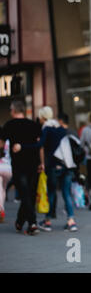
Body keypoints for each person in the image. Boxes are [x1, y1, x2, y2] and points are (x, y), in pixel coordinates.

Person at [13, 106, 79, 232]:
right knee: (66, 193)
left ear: (42, 117)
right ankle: (71, 221)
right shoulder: (61, 128)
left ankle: (47, 221)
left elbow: (39, 145)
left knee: (51, 193)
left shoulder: (47, 128)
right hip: (68, 166)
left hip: (54, 166)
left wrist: (22, 146)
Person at [0, 100, 42, 235]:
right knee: (28, 194)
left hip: (19, 165)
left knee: (25, 195)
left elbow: (1, 144)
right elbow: (39, 145)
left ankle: (32, 223)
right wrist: (42, 163)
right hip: (34, 164)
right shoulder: (34, 125)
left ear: (13, 111)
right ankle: (21, 221)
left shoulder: (9, 125)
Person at [0, 133, 12, 223]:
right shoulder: (10, 141)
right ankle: (1, 210)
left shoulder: (2, 142)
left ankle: (1, 209)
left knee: (0, 189)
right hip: (8, 168)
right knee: (3, 189)